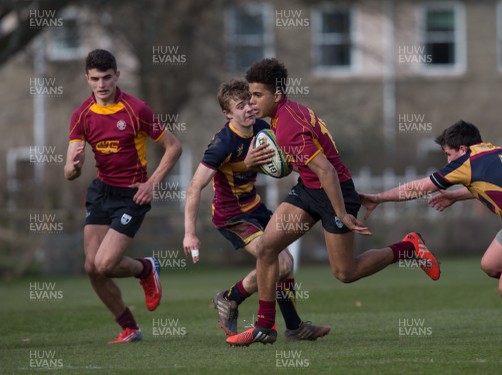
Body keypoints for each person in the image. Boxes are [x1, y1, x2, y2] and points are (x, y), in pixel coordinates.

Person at [225, 58, 441, 346]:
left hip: (334, 191)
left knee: (345, 272)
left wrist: (342, 211)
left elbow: (326, 170)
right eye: (250, 95)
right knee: (267, 247)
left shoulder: (288, 125)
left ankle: (408, 247)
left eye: (257, 95)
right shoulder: (286, 113)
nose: (251, 101)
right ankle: (265, 326)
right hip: (309, 189)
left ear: (276, 95)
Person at [360, 120, 502, 345]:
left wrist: (379, 198)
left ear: (462, 149)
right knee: (492, 265)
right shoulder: (493, 150)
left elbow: (419, 187)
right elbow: (490, 185)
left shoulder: (467, 162)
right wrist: (455, 195)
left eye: (448, 153)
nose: (448, 160)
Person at [182, 78, 330, 341]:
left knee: (287, 264)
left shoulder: (262, 129)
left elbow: (281, 161)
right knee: (281, 262)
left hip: (256, 207)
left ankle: (294, 327)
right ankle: (230, 297)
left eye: (250, 102)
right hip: (232, 216)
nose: (249, 109)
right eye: (241, 106)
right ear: (228, 113)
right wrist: (190, 234)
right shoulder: (222, 144)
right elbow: (194, 187)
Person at [64, 49, 182, 344]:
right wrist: (73, 167)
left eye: (106, 77)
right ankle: (130, 327)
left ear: (117, 75)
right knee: (92, 268)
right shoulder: (82, 115)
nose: (101, 84)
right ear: (87, 79)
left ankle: (146, 268)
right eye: (95, 79)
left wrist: (152, 183)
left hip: (132, 195)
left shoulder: (136, 109)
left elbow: (174, 147)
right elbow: (69, 172)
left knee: (105, 265)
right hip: (101, 191)